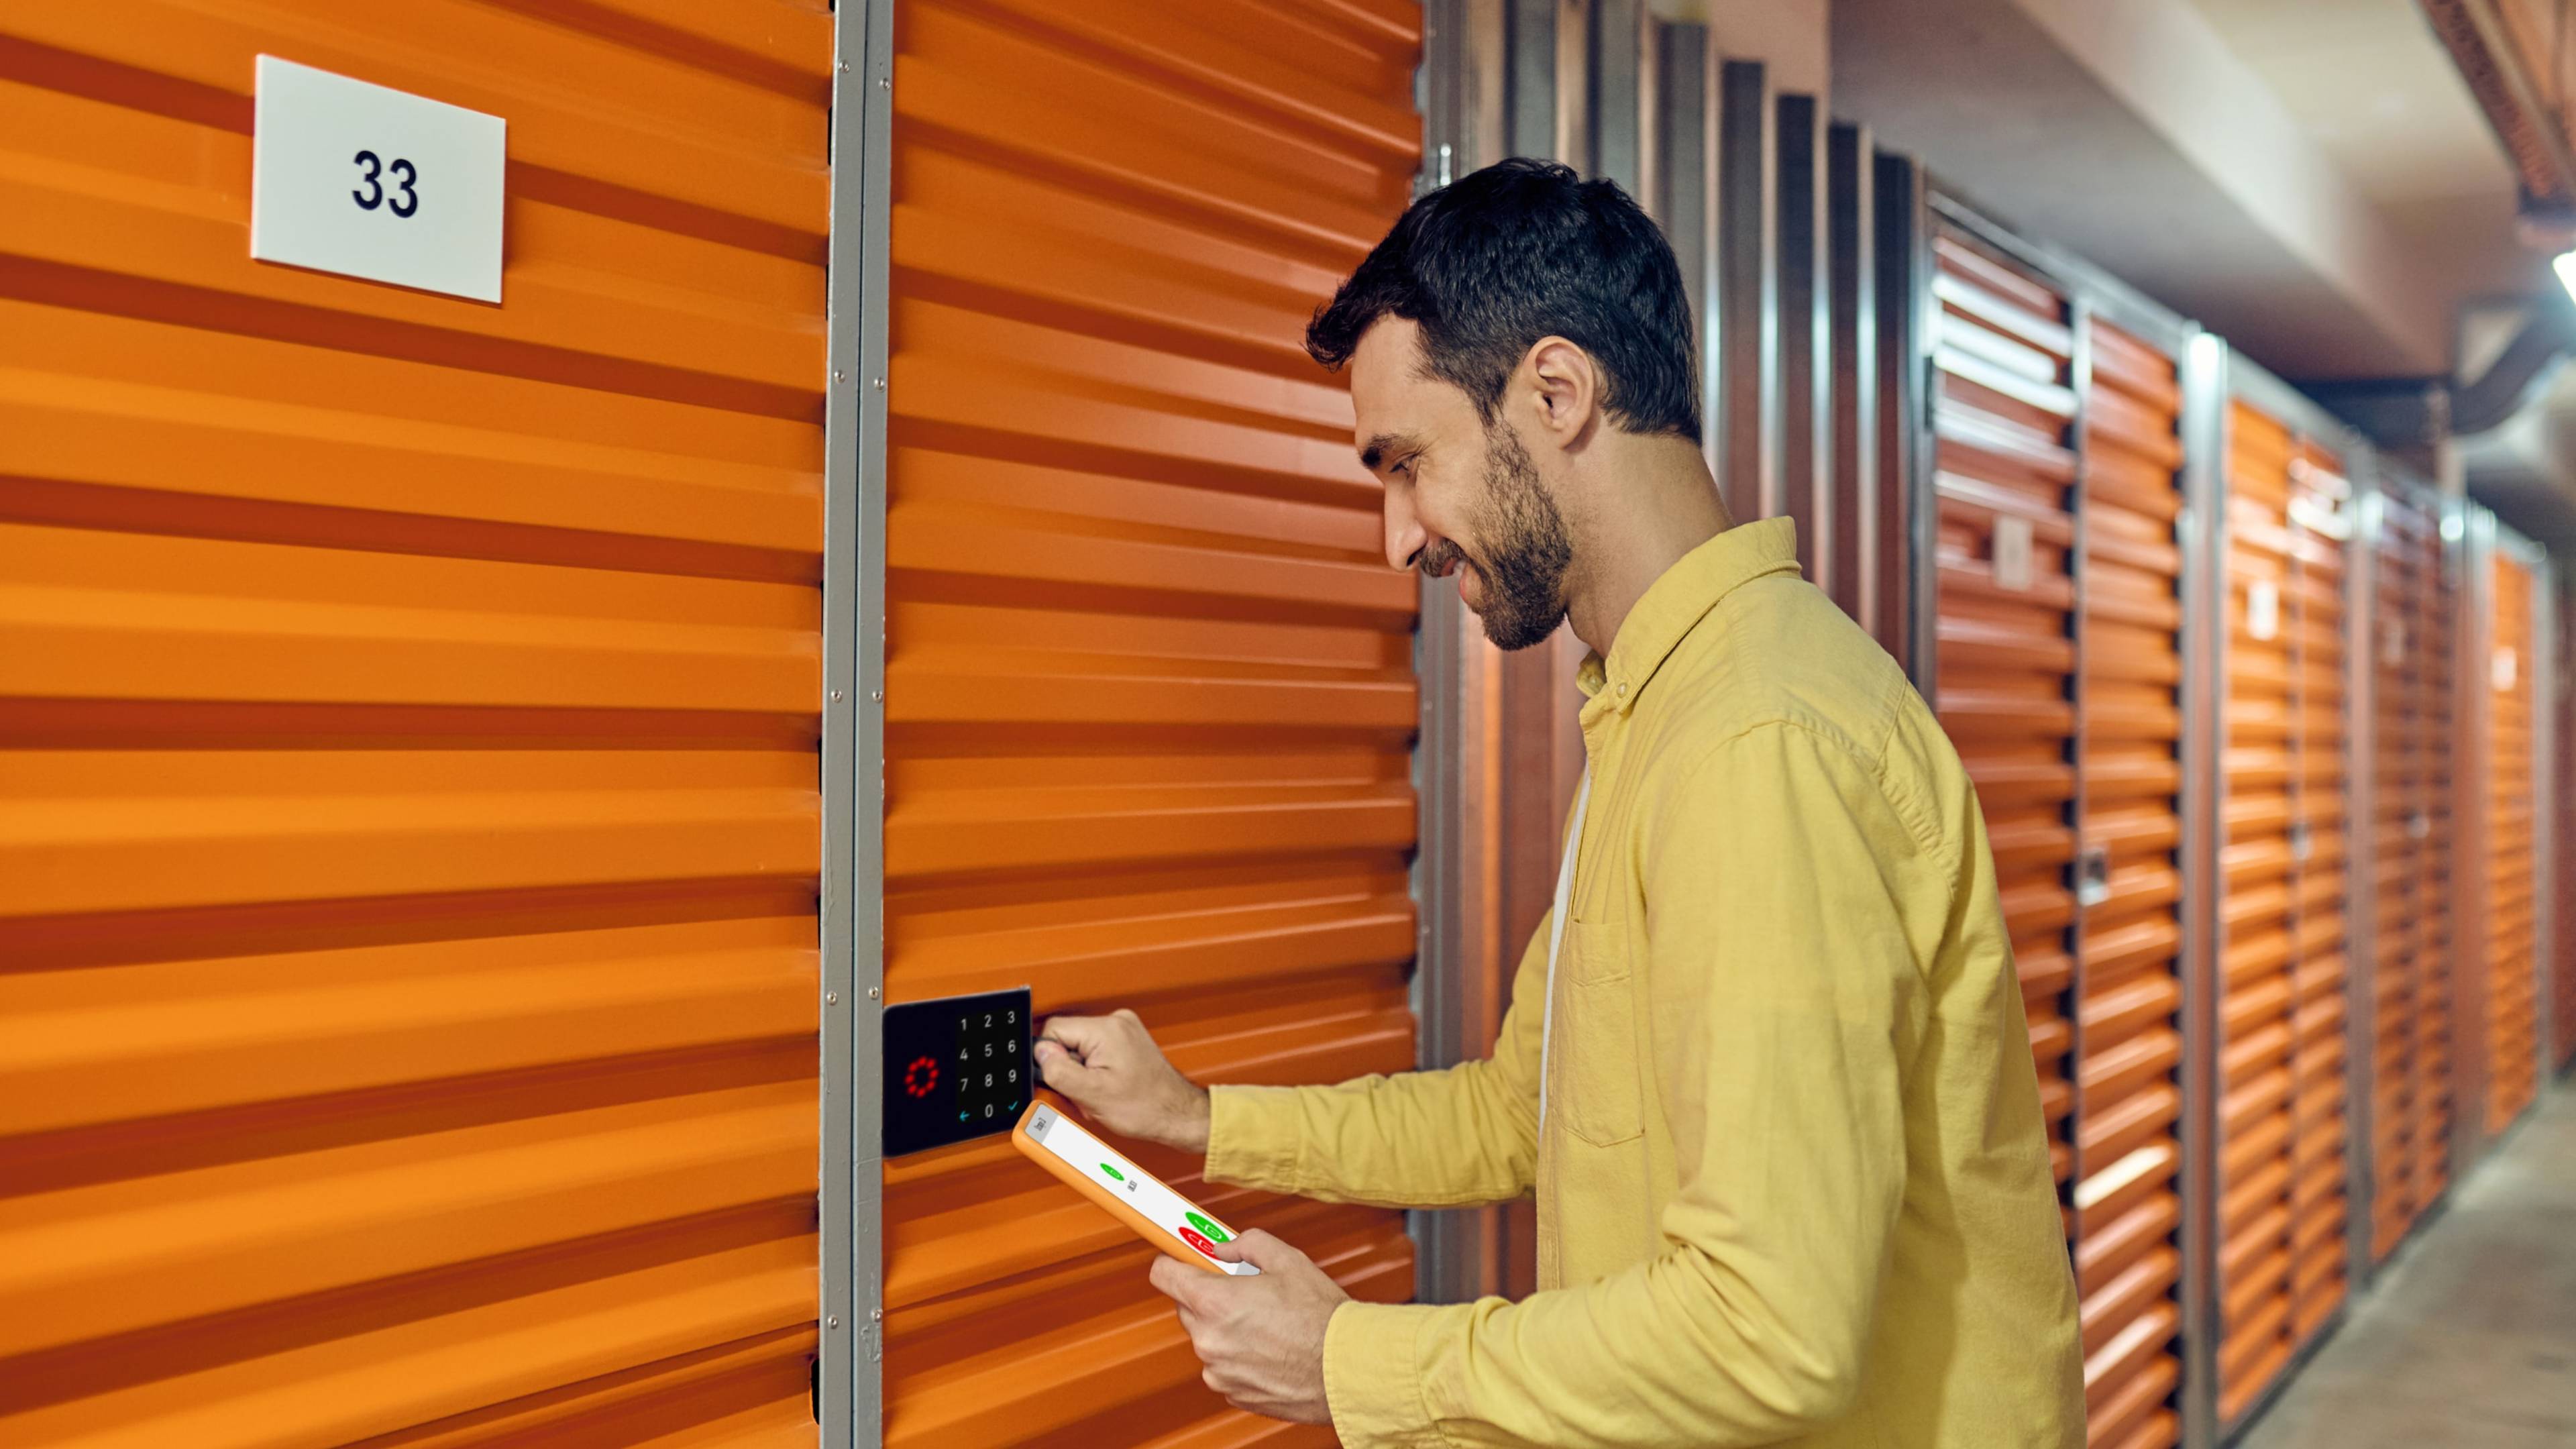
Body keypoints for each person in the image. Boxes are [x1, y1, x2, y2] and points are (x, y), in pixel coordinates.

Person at [1033, 158, 2084, 1449]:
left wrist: (1351, 1363)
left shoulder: (1755, 741)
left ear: (1557, 392)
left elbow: (1774, 1332)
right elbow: (1520, 1111)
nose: (1398, 537)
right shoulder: (1658, 708)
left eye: (1408, 462)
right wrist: (1198, 1121)